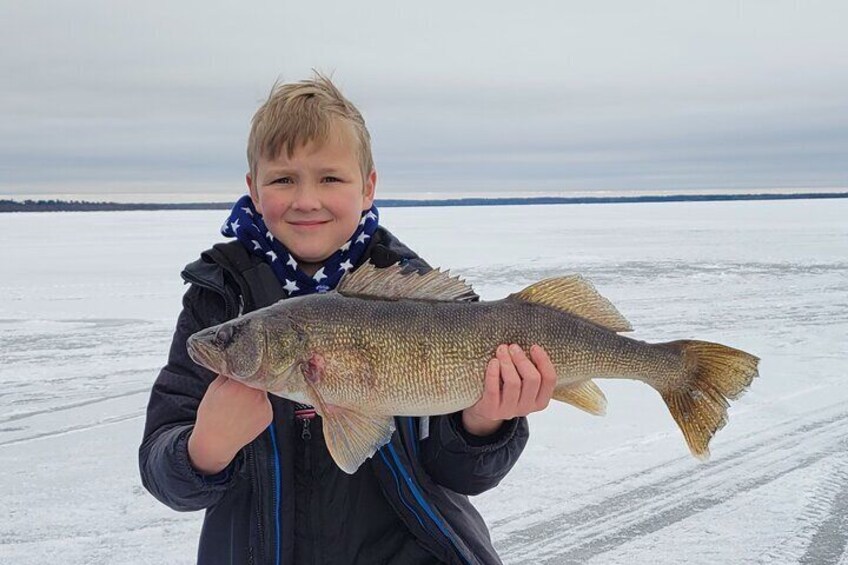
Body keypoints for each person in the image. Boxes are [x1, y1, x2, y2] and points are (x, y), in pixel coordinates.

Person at [139, 73, 557, 565]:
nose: (307, 200)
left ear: (368, 187)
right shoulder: (218, 299)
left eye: (330, 178)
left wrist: (485, 421)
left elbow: (461, 476)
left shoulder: (425, 302)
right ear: (253, 188)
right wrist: (203, 449)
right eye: (283, 179)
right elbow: (162, 469)